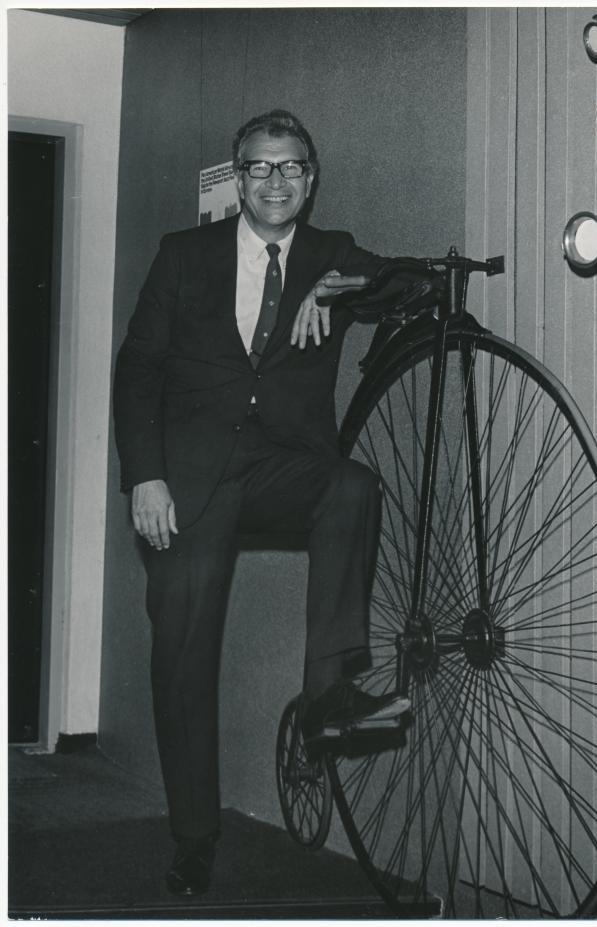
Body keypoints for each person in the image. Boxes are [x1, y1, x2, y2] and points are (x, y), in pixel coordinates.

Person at [113, 109, 418, 897]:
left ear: (310, 180)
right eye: (260, 168)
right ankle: (193, 838)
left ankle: (328, 696)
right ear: (238, 176)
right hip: (187, 483)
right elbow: (138, 370)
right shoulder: (184, 256)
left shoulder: (330, 252)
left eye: (291, 168)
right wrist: (144, 476)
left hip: (284, 465)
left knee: (354, 484)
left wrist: (343, 283)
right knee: (182, 656)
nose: (276, 182)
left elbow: (418, 285)